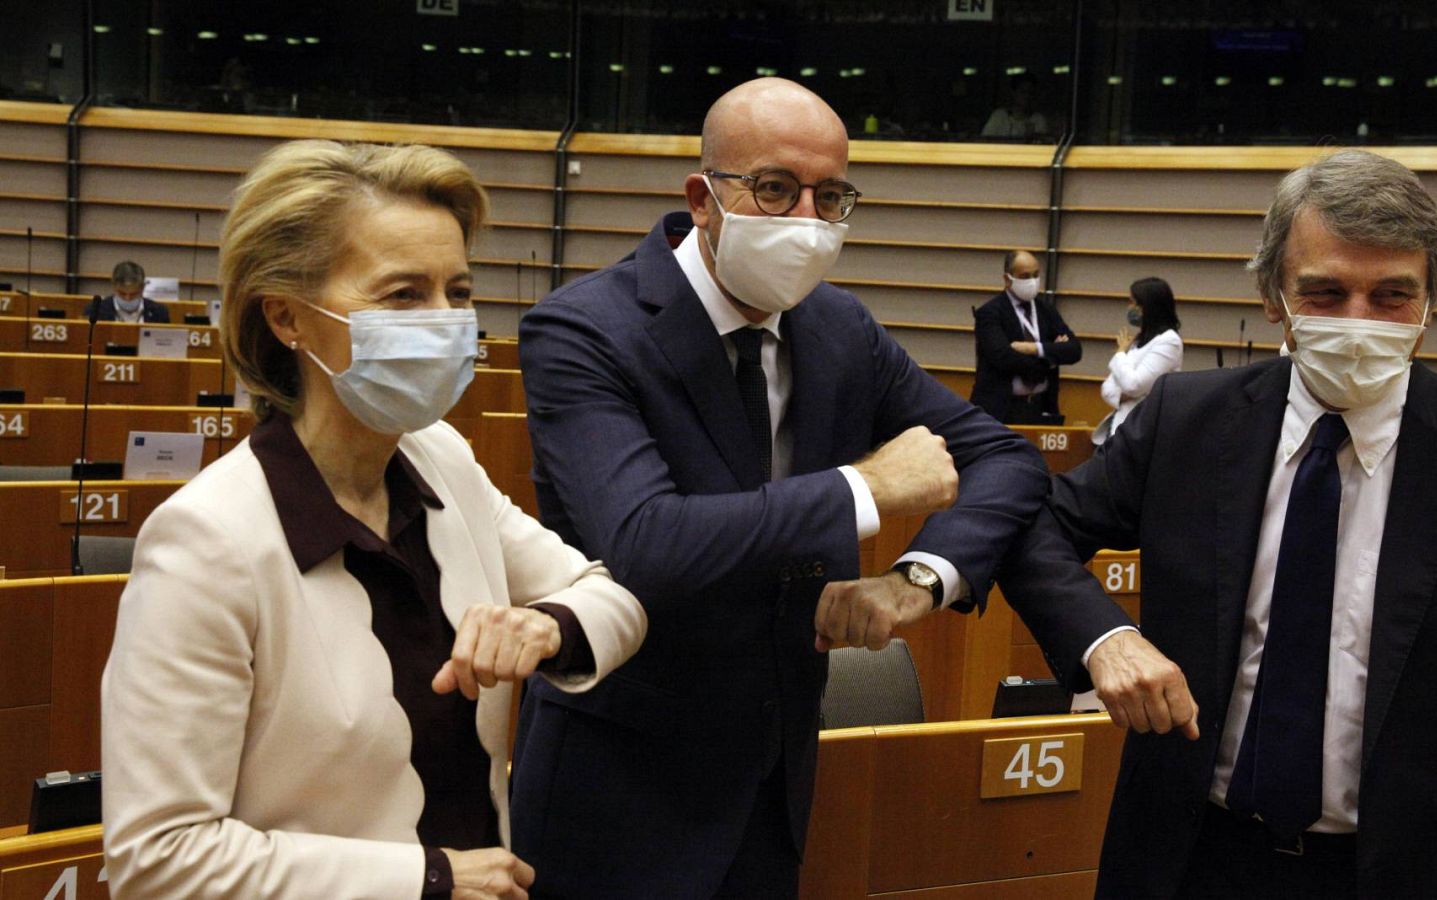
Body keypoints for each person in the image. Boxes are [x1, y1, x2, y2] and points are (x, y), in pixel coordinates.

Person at [994, 149, 1437, 897]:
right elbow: (1032, 526)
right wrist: (1104, 638)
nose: (1357, 322)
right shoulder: (1187, 421)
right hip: (1189, 859)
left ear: (1431, 303)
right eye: (1325, 292)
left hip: (1403, 875)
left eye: (1391, 297)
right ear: (1273, 295)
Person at [512, 78, 1049, 897]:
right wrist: (862, 490)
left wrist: (917, 582)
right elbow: (645, 544)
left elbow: (1006, 460)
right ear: (703, 197)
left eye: (829, 196)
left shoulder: (840, 328)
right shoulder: (584, 330)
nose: (805, 221)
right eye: (774, 189)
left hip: (776, 779)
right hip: (621, 782)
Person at [100, 140, 647, 899]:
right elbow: (159, 857)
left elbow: (611, 597)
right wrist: (425, 879)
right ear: (288, 316)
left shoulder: (441, 459)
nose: (447, 321)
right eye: (402, 295)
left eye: (458, 292)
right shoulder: (207, 539)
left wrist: (547, 625)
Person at [970, 249, 1082, 424]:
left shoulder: (1046, 310)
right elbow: (1002, 357)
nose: (1032, 281)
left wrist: (1035, 348)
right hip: (1000, 410)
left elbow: (1074, 350)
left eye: (1036, 275)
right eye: (1024, 276)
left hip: (1041, 407)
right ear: (1008, 279)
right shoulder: (990, 313)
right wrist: (1050, 360)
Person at [1092, 276, 1183, 444]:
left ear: (1148, 306)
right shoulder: (1139, 340)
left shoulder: (1169, 342)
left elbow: (1133, 385)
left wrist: (1120, 353)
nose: (1130, 307)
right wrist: (1123, 394)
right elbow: (1107, 388)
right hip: (1120, 429)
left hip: (1145, 432)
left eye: (1133, 302)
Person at [84, 260, 171, 323]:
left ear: (143, 288)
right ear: (114, 286)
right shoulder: (95, 312)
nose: (127, 298)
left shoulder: (159, 313)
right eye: (122, 293)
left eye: (133, 294)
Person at [981, 72, 1050, 139]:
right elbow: (984, 141)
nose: (1027, 96)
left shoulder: (1038, 120)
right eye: (1023, 92)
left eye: (1030, 93)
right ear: (1013, 93)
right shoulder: (999, 117)